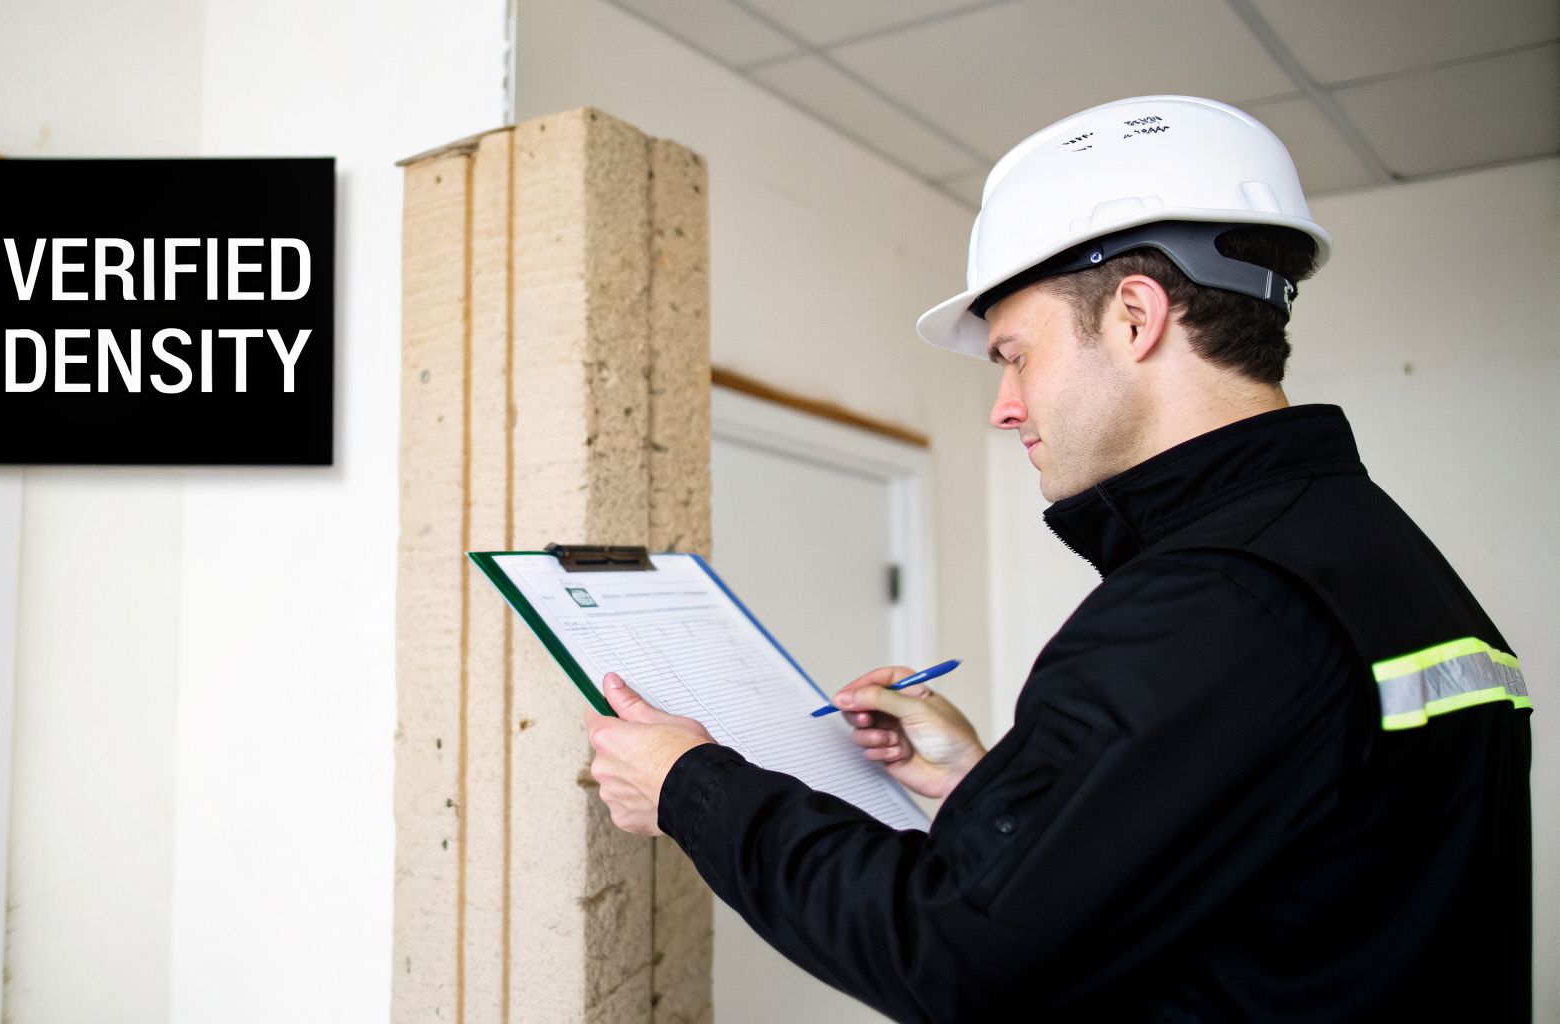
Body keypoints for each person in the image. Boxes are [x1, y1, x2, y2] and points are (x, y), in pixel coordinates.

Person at [584, 95, 1532, 1021]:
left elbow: (952, 954)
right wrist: (978, 783)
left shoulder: (1211, 600)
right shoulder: (1363, 544)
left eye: (1014, 355)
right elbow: (1269, 849)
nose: (1003, 406)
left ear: (1134, 316)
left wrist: (689, 785)